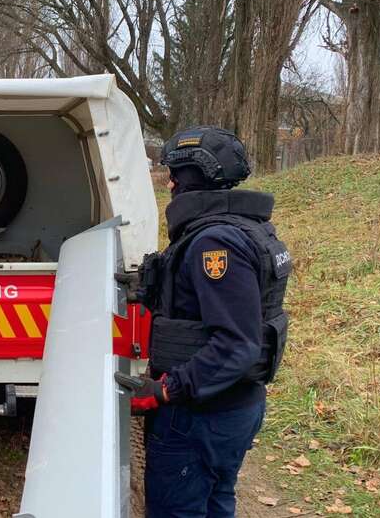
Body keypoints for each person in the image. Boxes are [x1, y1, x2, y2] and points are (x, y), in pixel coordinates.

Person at [116, 126, 292, 517]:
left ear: (194, 178)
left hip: (199, 415)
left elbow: (236, 343)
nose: (170, 184)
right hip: (232, 408)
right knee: (216, 502)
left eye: (175, 176)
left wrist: (165, 390)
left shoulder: (216, 243)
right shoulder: (250, 228)